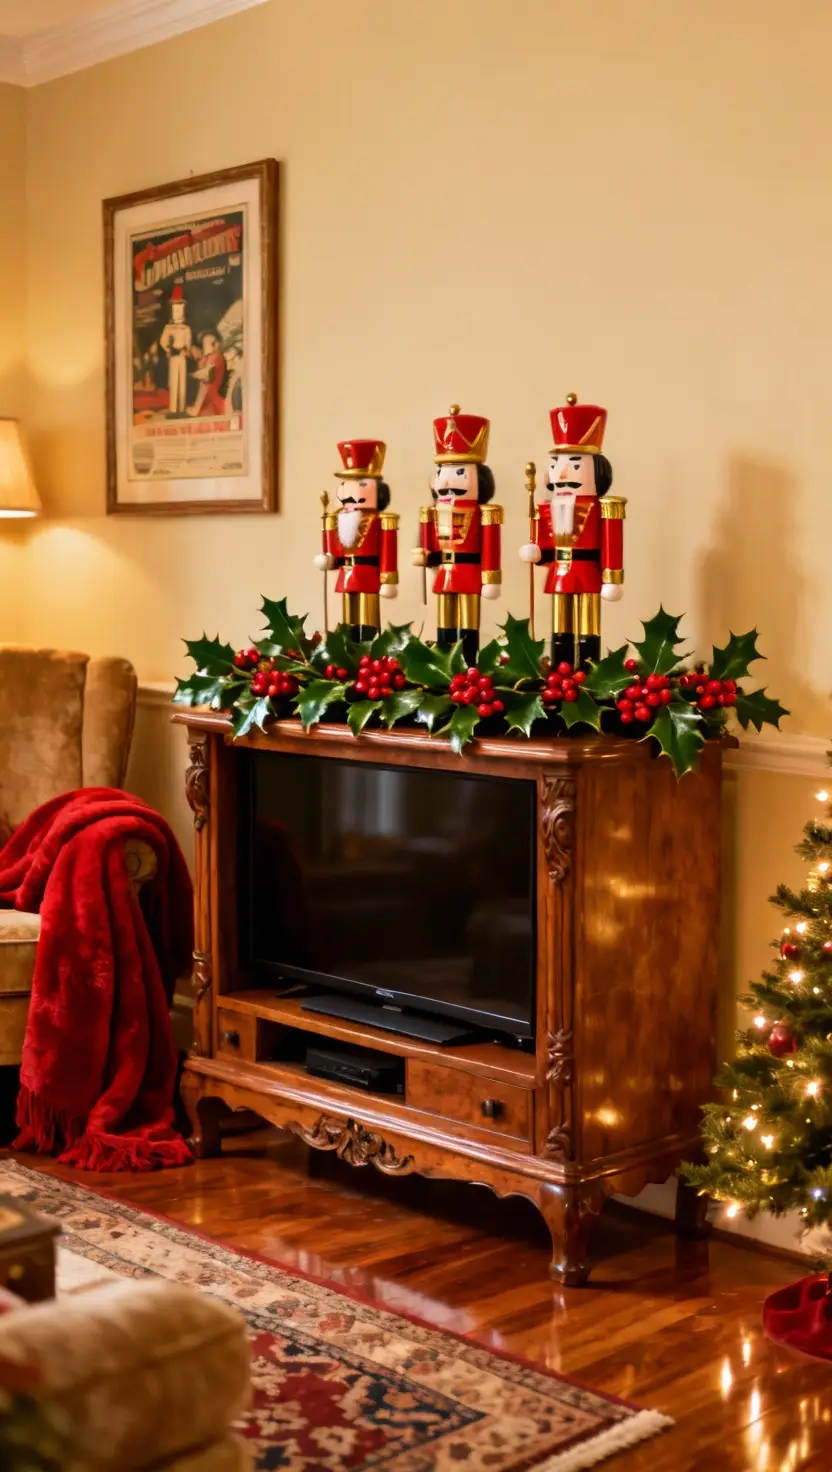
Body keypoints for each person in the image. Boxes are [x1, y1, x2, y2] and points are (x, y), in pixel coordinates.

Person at [519, 394, 625, 669]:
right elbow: (544, 542)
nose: (562, 472)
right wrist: (536, 551)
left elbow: (612, 543)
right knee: (560, 626)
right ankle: (561, 670)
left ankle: (589, 673)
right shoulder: (547, 506)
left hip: (589, 570)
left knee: (589, 628)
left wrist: (612, 577)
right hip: (560, 569)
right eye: (556, 465)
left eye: (574, 465)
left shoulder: (605, 508)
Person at [412, 405, 501, 664]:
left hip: (470, 571)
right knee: (445, 624)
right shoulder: (432, 511)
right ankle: (444, 662)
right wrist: (426, 555)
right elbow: (429, 544)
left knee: (468, 624)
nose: (447, 480)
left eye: (459, 472)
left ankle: (469, 663)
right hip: (445, 571)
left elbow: (490, 546)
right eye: (442, 472)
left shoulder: (484, 512)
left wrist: (491, 577)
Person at [313, 439, 398, 640]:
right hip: (346, 573)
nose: (350, 491)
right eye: (346, 484)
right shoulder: (338, 517)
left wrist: (388, 579)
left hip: (368, 575)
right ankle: (348, 650)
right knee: (347, 621)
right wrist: (328, 558)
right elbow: (333, 548)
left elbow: (388, 550)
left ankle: (367, 652)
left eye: (360, 484)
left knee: (367, 621)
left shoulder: (382, 520)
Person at [158, 284, 192, 416]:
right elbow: (163, 341)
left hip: (182, 356)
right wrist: (168, 349)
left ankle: (181, 407)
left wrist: (187, 350)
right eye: (175, 307)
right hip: (173, 355)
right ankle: (173, 409)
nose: (178, 310)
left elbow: (188, 342)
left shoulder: (186, 328)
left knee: (182, 381)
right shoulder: (168, 328)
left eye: (180, 307)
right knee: (173, 380)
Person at [187, 331, 227, 418]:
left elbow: (206, 376)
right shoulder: (205, 358)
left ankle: (196, 408)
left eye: (212, 342)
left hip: (212, 401)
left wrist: (193, 375)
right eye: (206, 342)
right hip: (206, 401)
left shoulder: (216, 355)